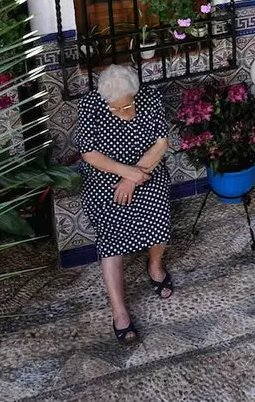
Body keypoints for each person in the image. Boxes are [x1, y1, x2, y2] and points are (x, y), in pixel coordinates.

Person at [75, 63, 174, 344]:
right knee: (112, 237)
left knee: (158, 214)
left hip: (146, 170)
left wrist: (133, 178)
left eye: (126, 106)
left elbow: (160, 143)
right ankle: (119, 311)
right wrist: (124, 173)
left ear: (135, 93)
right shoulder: (91, 106)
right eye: (115, 109)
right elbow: (90, 154)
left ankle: (155, 267)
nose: (122, 112)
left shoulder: (150, 98)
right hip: (105, 178)